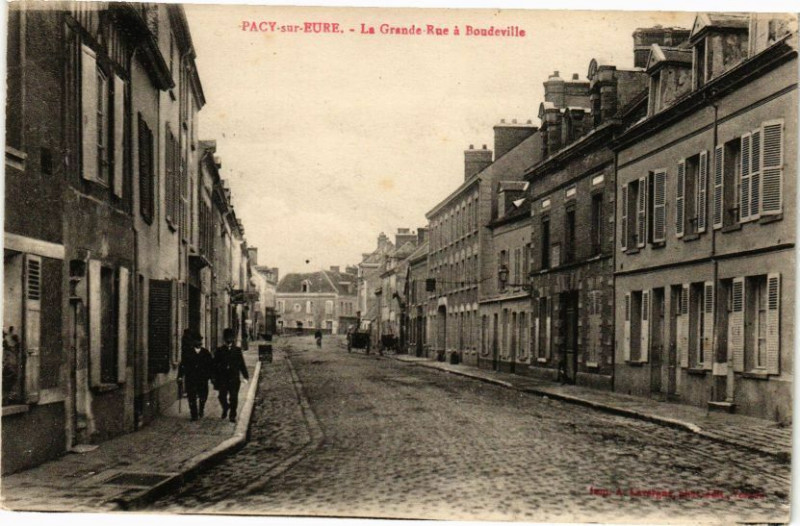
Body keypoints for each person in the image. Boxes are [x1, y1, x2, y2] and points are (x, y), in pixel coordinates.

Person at [215, 328, 249, 423]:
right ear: (224, 339)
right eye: (227, 338)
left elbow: (242, 364)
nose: (229, 339)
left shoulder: (237, 350)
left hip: (234, 378)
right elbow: (215, 365)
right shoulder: (219, 351)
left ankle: (232, 415)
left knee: (233, 397)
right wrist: (214, 378)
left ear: (233, 339)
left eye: (231, 337)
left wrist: (245, 376)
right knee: (221, 396)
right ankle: (226, 408)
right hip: (223, 378)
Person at [178, 332, 214, 421]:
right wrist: (180, 376)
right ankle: (194, 414)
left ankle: (201, 408)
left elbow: (211, 365)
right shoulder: (187, 352)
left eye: (200, 340)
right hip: (191, 378)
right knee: (191, 396)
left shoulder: (206, 353)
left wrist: (212, 376)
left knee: (203, 396)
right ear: (193, 342)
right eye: (197, 341)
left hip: (202, 378)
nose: (199, 342)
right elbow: (182, 365)